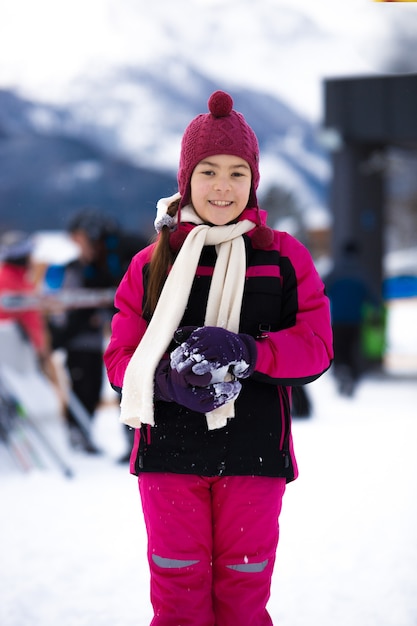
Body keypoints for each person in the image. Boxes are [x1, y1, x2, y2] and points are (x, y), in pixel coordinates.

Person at [104, 91, 333, 626]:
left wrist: (249, 352)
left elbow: (317, 347)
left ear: (253, 181)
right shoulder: (150, 263)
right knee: (178, 600)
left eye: (237, 172)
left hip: (254, 455)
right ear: (187, 180)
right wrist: (167, 381)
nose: (223, 187)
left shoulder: (282, 256)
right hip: (169, 455)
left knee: (243, 601)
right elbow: (120, 358)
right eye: (208, 171)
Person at [48, 209, 147, 453]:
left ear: (92, 234)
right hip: (124, 332)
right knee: (117, 382)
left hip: (146, 330)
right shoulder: (93, 262)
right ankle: (128, 442)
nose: (78, 247)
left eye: (79, 239)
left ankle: (139, 441)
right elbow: (89, 303)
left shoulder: (128, 249)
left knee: (139, 383)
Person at [325, 240, 380, 396]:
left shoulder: (335, 273)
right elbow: (373, 298)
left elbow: (320, 290)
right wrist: (375, 313)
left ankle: (342, 372)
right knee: (352, 349)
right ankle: (351, 376)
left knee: (339, 349)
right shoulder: (362, 274)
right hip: (356, 321)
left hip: (338, 320)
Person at [0, 231, 50, 364]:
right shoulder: (18, 285)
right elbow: (30, 317)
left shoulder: (8, 278)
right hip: (13, 353)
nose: (32, 259)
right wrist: (40, 348)